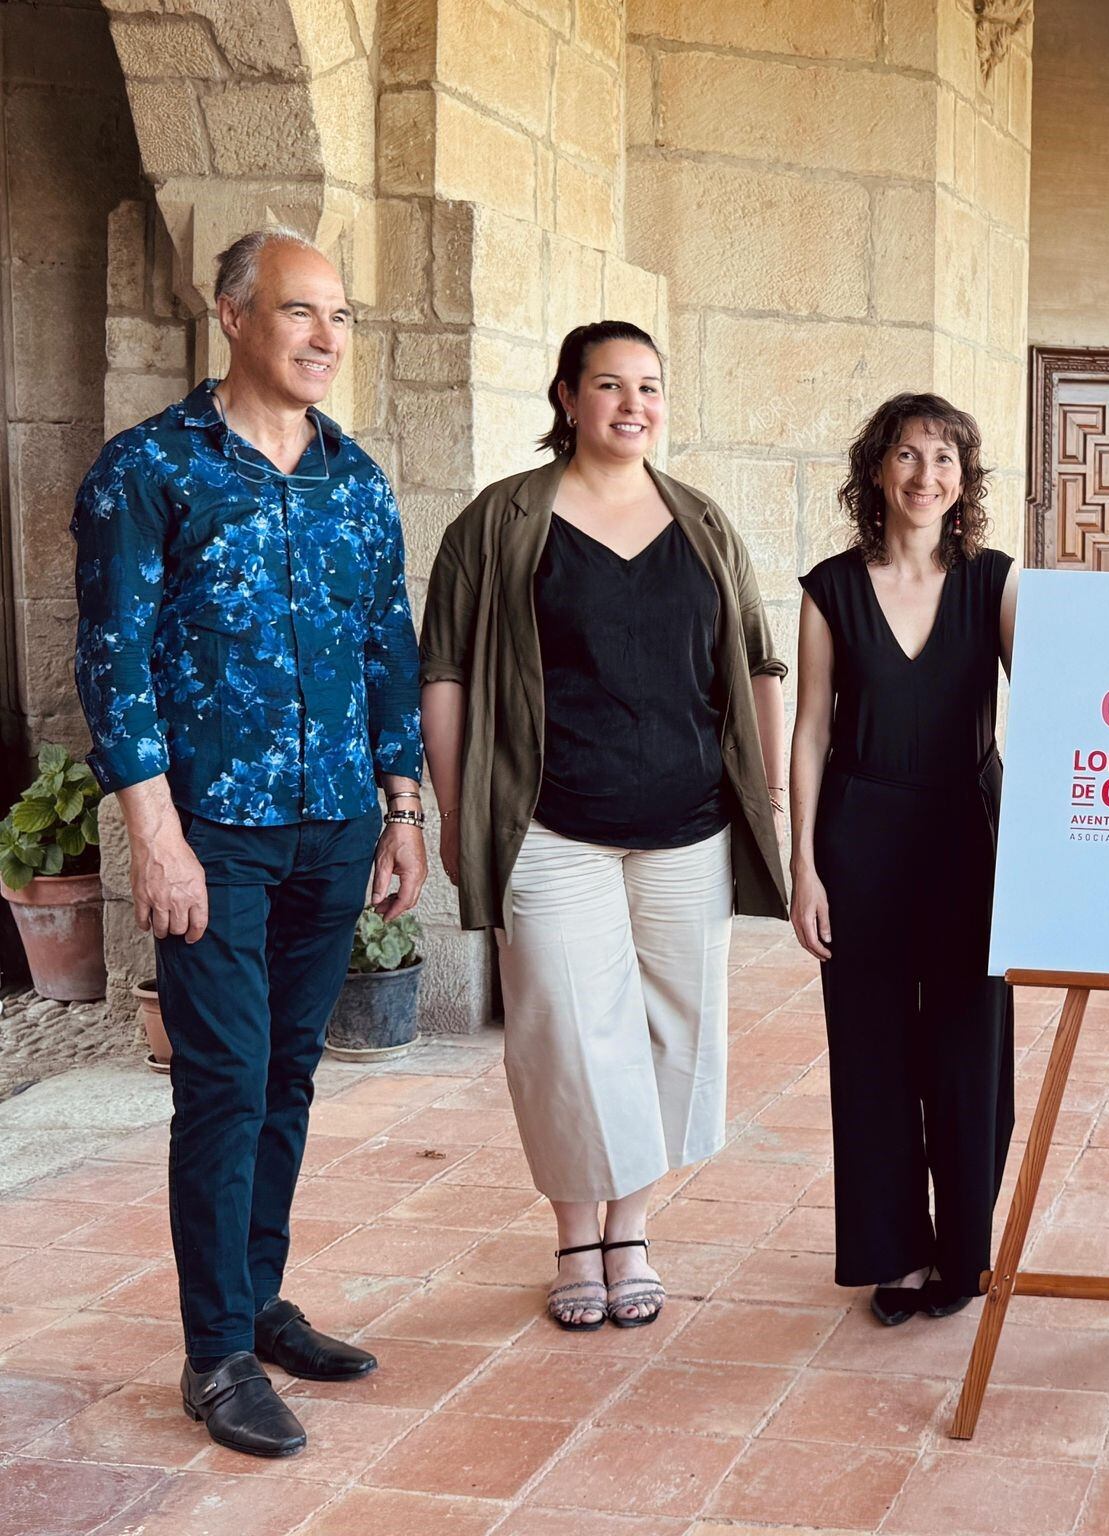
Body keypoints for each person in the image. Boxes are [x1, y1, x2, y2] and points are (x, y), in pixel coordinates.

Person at [72, 227, 424, 1457]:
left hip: (333, 825)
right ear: (231, 317)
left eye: (340, 316)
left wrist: (401, 807)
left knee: (287, 1076)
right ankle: (216, 1353)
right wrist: (154, 839)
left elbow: (390, 649)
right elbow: (113, 669)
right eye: (299, 313)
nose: (327, 338)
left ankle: (259, 1299)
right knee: (222, 1086)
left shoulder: (356, 478)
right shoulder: (147, 473)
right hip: (210, 831)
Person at [418, 321, 788, 1333]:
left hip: (688, 825)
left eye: (650, 388)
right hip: (552, 823)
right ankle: (575, 1236)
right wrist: (457, 812)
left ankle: (630, 1230)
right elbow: (443, 671)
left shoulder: (701, 521)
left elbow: (757, 665)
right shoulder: (500, 522)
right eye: (610, 385)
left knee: (675, 1031)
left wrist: (768, 806)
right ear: (567, 398)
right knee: (568, 1034)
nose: (633, 405)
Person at [788, 392, 1019, 1326]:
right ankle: (894, 1254)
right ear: (878, 470)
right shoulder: (829, 588)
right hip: (861, 836)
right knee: (874, 1053)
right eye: (910, 457)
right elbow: (808, 733)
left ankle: (962, 1252)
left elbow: (1059, 691)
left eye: (947, 461)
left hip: (970, 834)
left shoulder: (996, 580)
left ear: (965, 483)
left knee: (971, 1049)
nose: (928, 477)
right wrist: (801, 866)